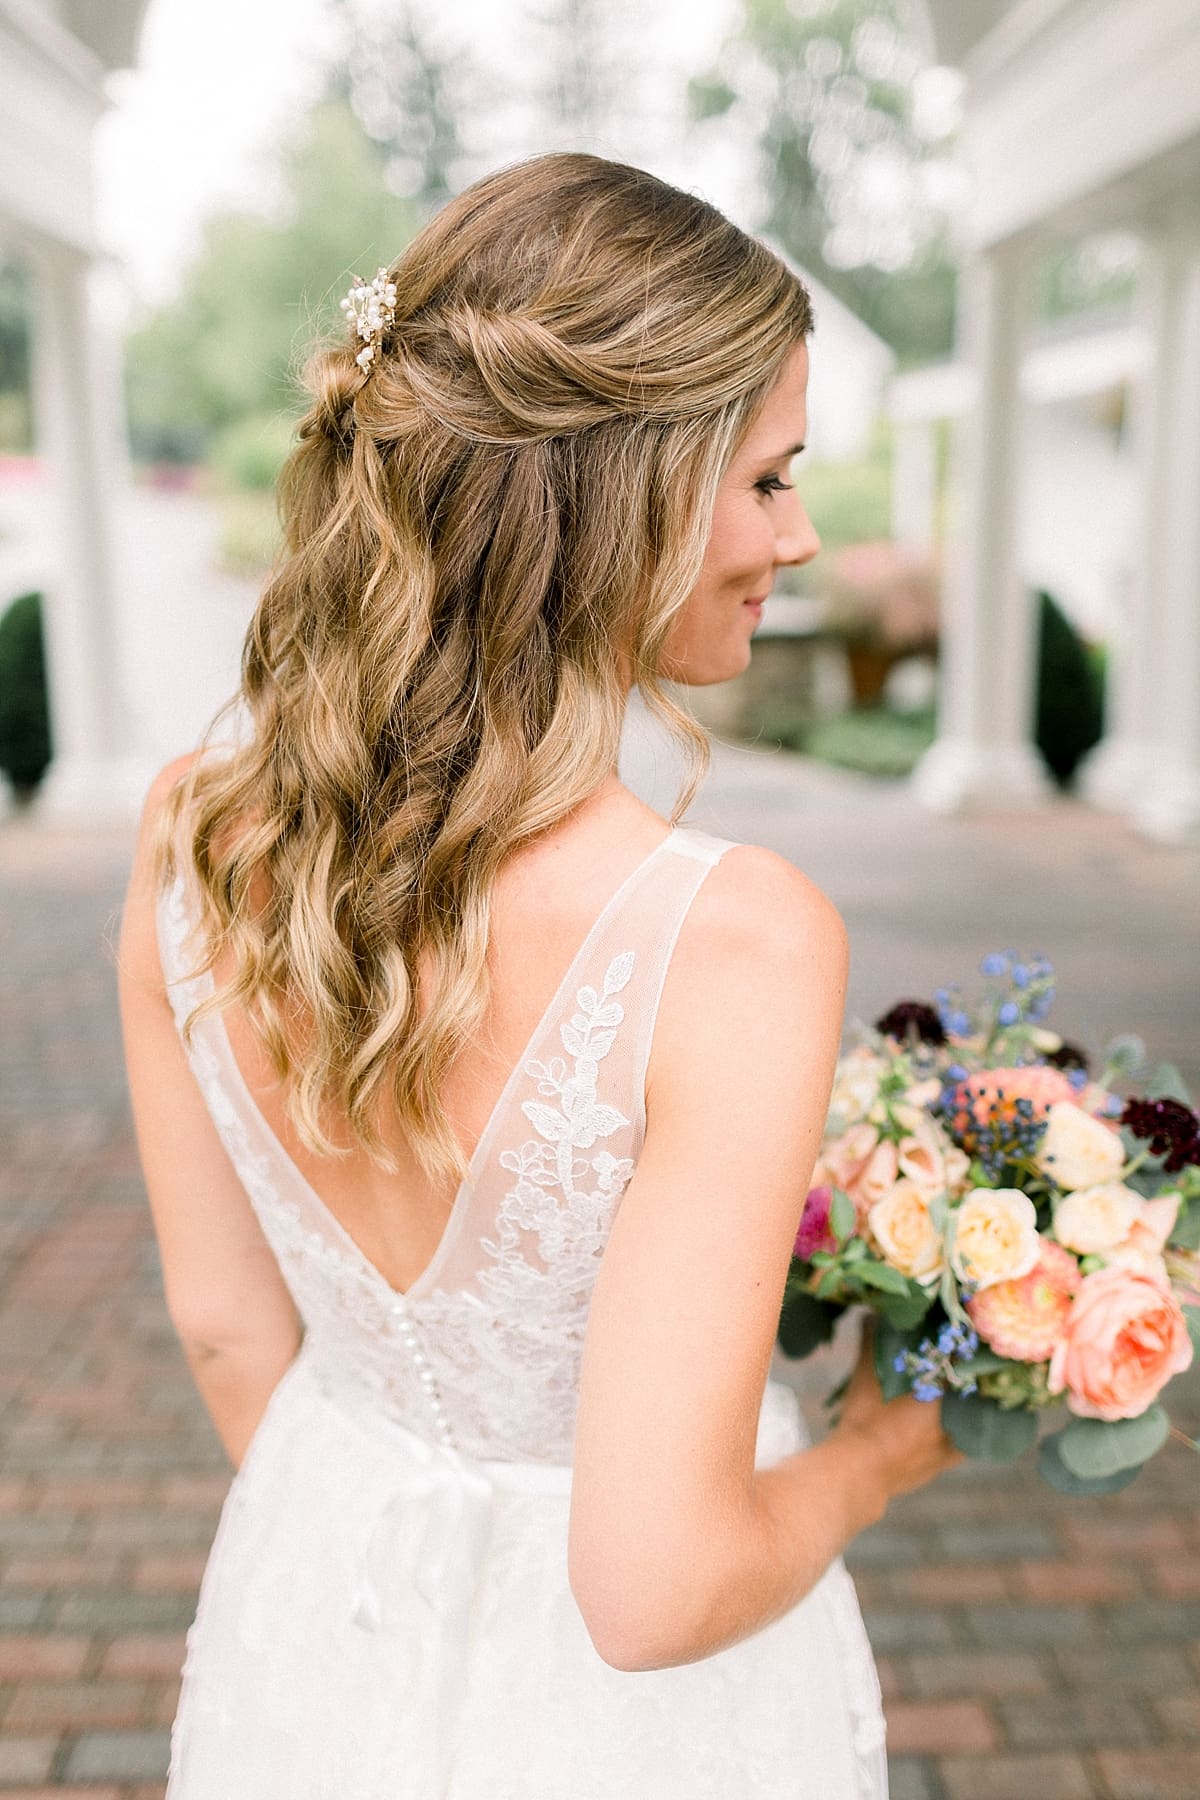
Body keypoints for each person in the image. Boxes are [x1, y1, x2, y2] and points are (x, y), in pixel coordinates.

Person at [118, 152, 964, 1799]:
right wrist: (883, 1449)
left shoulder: (184, 833)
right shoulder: (732, 935)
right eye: (774, 478)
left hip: (317, 1621)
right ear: (627, 490)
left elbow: (227, 1330)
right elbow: (654, 1594)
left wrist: (371, 1523)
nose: (799, 539)